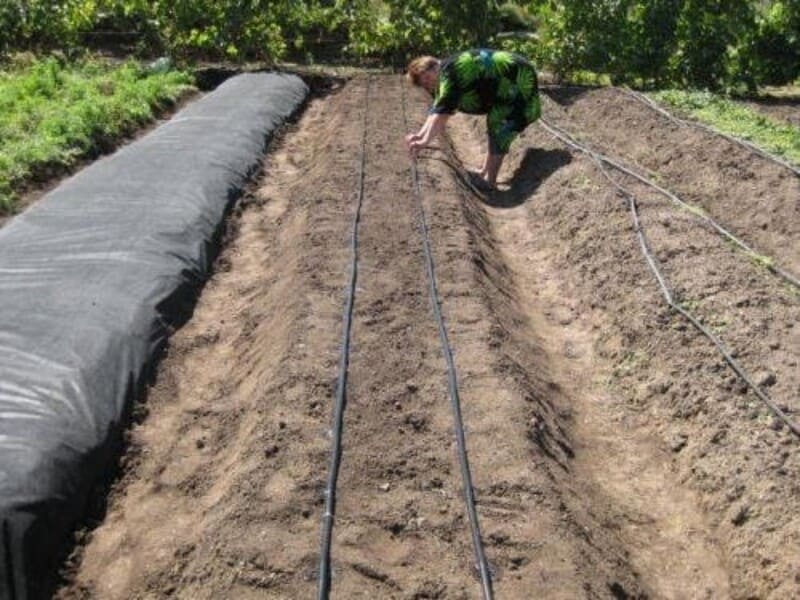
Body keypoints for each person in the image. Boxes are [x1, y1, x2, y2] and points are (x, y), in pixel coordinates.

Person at [405, 49, 541, 190]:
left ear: (434, 66)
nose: (429, 84)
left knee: (500, 125)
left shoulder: (452, 73)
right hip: (507, 84)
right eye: (425, 83)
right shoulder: (446, 71)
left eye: (428, 78)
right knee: (495, 119)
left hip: (518, 80)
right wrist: (420, 135)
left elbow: (443, 113)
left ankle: (490, 181)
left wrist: (424, 142)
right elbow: (437, 108)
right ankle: (485, 171)